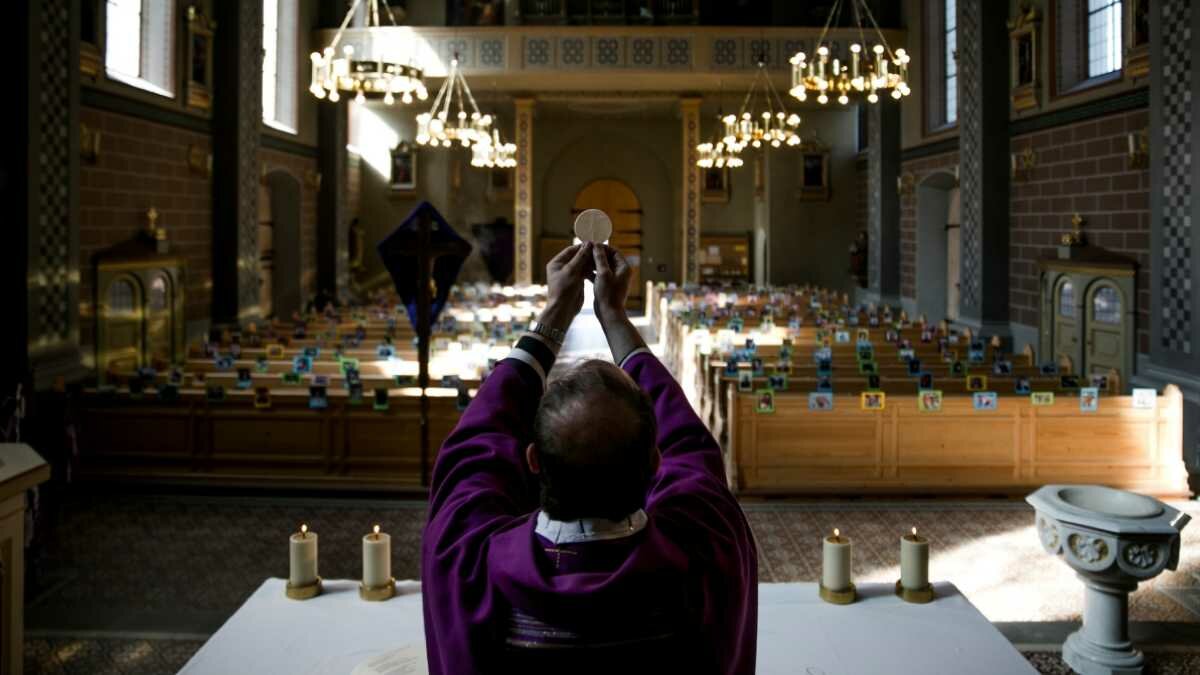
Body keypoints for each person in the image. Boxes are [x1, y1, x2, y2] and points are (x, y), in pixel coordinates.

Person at [422, 242, 758, 674]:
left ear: (533, 461)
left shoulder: (467, 564)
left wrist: (556, 311)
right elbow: (691, 446)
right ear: (656, 465)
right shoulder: (706, 550)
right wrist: (615, 316)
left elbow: (472, 448)